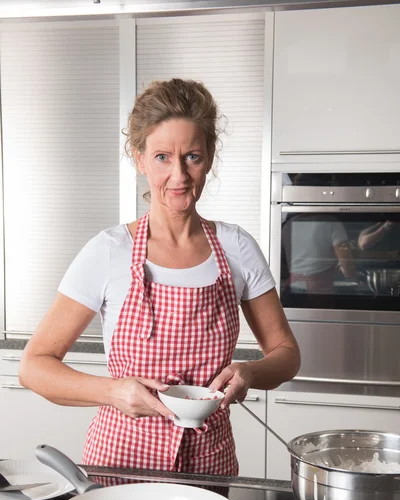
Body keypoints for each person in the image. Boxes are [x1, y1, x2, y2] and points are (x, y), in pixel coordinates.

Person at [19, 78, 300, 476]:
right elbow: (33, 366)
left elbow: (287, 354)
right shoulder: (108, 251)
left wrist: (250, 372)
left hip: (210, 466)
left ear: (210, 158)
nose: (180, 176)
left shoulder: (238, 248)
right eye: (163, 157)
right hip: (120, 466)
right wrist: (114, 392)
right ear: (140, 159)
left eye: (193, 157)